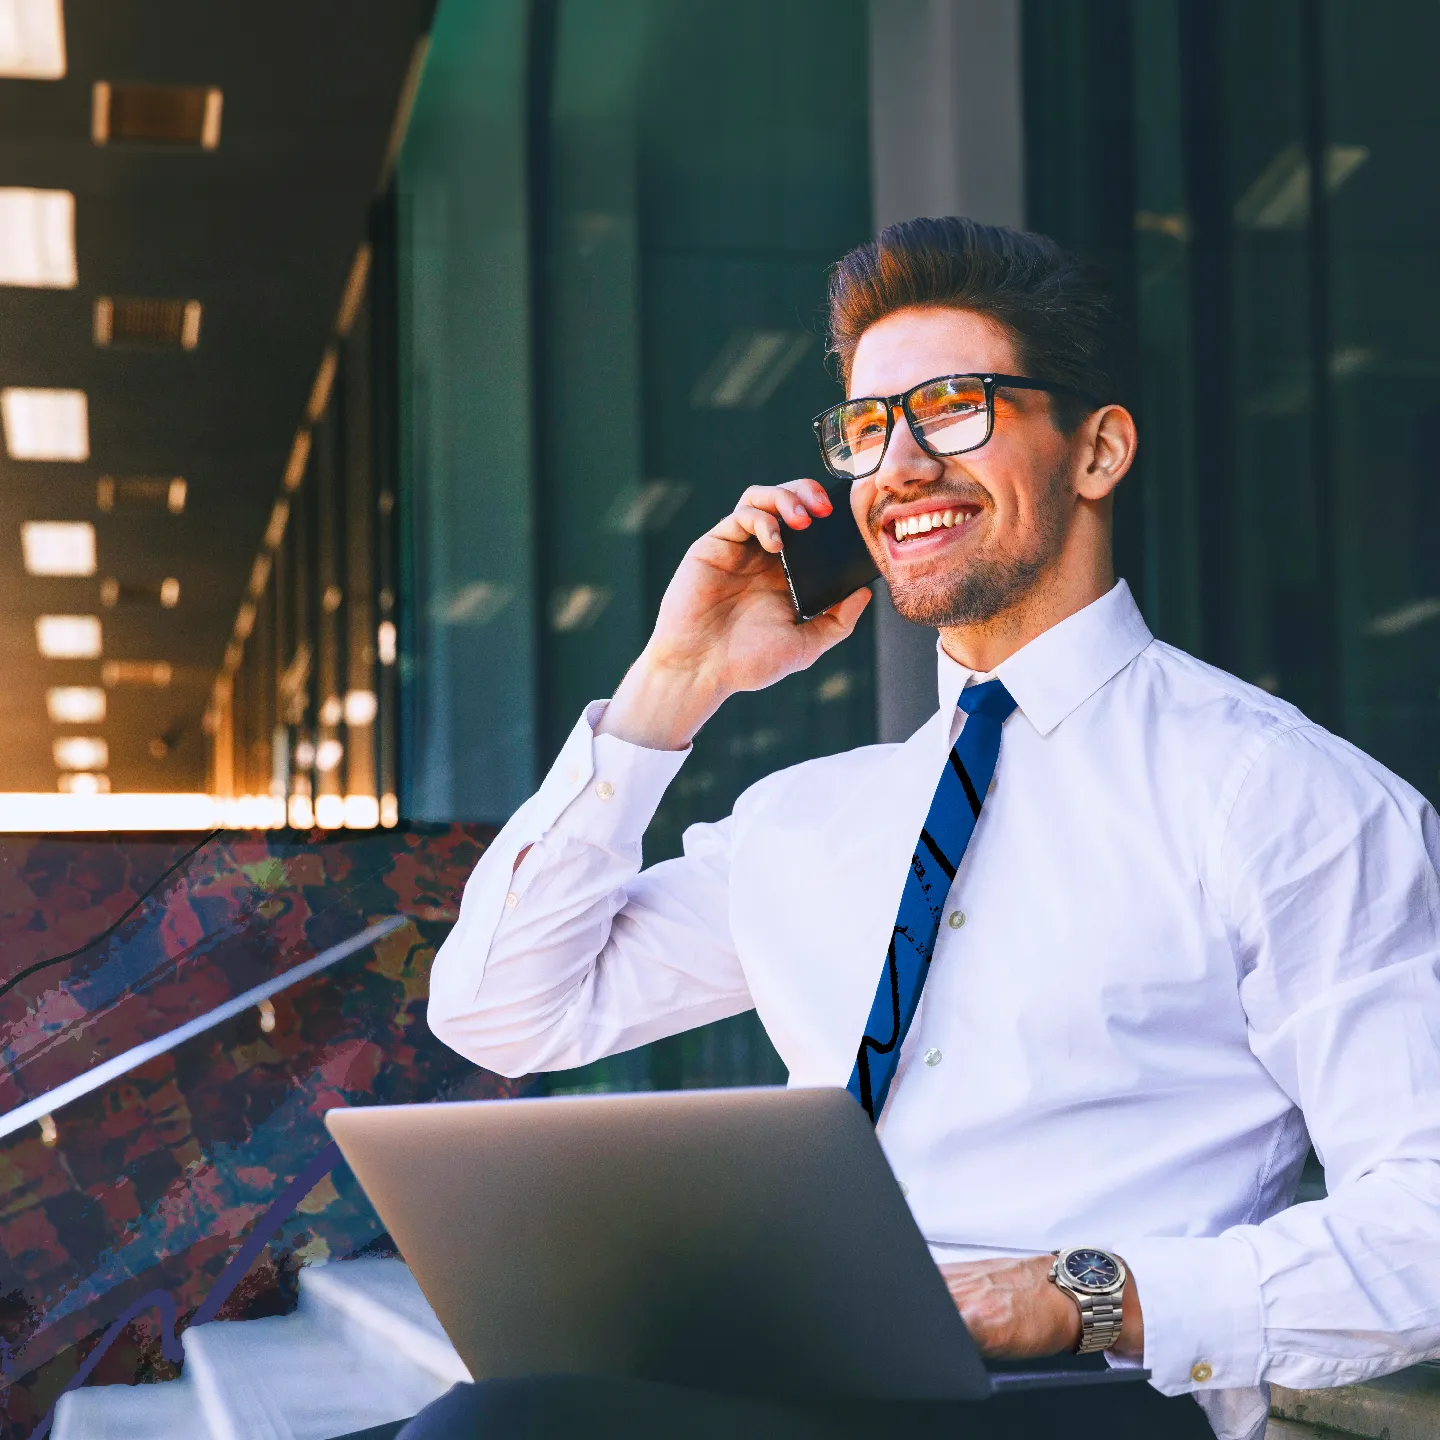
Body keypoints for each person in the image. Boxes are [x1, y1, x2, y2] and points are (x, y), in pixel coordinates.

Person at [409, 218, 1440, 1440]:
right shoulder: (813, 817)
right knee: (496, 1417)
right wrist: (670, 683)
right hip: (800, 1364)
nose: (898, 465)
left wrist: (1065, 1296)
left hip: (1083, 1397)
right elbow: (501, 1007)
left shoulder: (1285, 798)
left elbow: (1423, 1225)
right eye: (867, 428)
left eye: (954, 408)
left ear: (1100, 449)